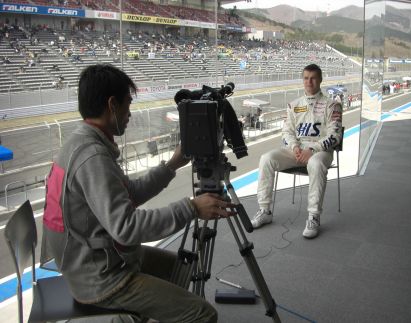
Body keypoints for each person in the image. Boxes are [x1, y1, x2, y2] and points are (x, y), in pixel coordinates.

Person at [41, 64, 235, 322]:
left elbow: (129, 193)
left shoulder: (84, 142)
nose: (129, 113)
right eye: (128, 104)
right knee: (203, 314)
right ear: (112, 105)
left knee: (182, 269)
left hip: (99, 260)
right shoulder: (93, 157)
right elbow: (127, 227)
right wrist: (192, 208)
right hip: (99, 278)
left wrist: (171, 165)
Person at [250, 64, 342, 239]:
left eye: (313, 77)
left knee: (315, 163)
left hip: (321, 151)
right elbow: (287, 132)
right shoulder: (293, 105)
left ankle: (314, 216)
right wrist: (295, 147)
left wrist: (312, 149)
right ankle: (265, 210)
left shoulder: (332, 105)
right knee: (266, 159)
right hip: (297, 150)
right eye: (306, 78)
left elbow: (335, 136)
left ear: (320, 80)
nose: (309, 81)